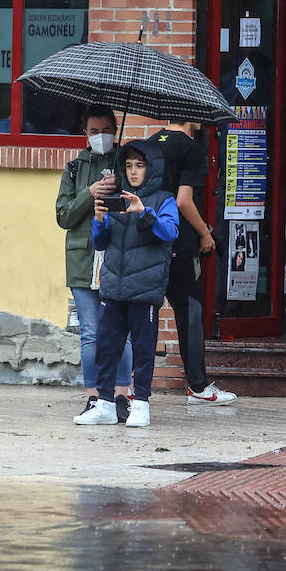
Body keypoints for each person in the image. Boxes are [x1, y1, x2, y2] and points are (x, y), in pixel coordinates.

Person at [73, 142, 179, 428]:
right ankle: (105, 403)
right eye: (129, 165)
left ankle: (141, 403)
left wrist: (143, 211)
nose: (133, 172)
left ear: (151, 168)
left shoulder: (164, 199)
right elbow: (100, 242)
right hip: (114, 287)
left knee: (143, 349)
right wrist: (99, 219)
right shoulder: (115, 198)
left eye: (140, 166)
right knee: (107, 346)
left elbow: (170, 232)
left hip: (145, 289)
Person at [150, 118, 237, 406]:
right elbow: (184, 200)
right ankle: (198, 387)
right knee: (190, 315)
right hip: (181, 245)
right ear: (191, 116)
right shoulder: (191, 149)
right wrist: (205, 234)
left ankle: (134, 388)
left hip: (149, 243)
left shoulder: (149, 144)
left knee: (141, 318)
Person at [56, 105, 133, 421]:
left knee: (121, 332)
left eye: (106, 130)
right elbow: (64, 216)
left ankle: (121, 396)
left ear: (115, 131)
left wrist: (120, 187)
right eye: (93, 131)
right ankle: (93, 397)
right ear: (84, 133)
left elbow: (139, 206)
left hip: (118, 257)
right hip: (82, 258)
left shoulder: (126, 164)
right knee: (90, 332)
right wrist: (90, 193)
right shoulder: (74, 168)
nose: (100, 137)